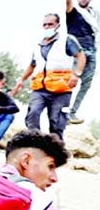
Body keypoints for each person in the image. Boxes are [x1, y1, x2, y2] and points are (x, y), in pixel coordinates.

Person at [12, 13, 85, 141]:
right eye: (44, 25)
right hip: (40, 88)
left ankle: (56, 150)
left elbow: (81, 56)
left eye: (50, 24)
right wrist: (21, 80)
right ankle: (35, 143)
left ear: (58, 25)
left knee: (56, 121)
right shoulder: (38, 45)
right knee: (33, 113)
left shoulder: (66, 40)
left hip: (61, 89)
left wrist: (77, 74)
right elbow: (32, 65)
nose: (47, 27)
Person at [65, 0, 99, 124]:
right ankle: (62, 110)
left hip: (92, 50)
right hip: (77, 51)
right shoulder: (73, 11)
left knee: (87, 84)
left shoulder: (95, 15)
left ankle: (72, 112)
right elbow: (67, 0)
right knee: (72, 80)